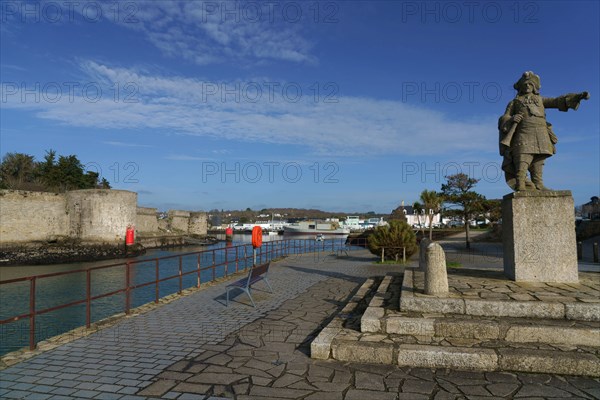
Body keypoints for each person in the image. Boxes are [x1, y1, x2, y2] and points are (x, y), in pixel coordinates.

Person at [498, 71, 589, 191]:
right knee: (523, 158)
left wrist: (577, 97)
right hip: (523, 133)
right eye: (525, 84)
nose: (527, 86)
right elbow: (504, 117)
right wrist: (511, 119)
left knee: (539, 159)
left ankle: (538, 183)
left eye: (530, 84)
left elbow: (556, 101)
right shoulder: (514, 102)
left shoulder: (540, 100)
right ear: (520, 87)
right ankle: (520, 183)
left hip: (541, 132)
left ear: (534, 86)